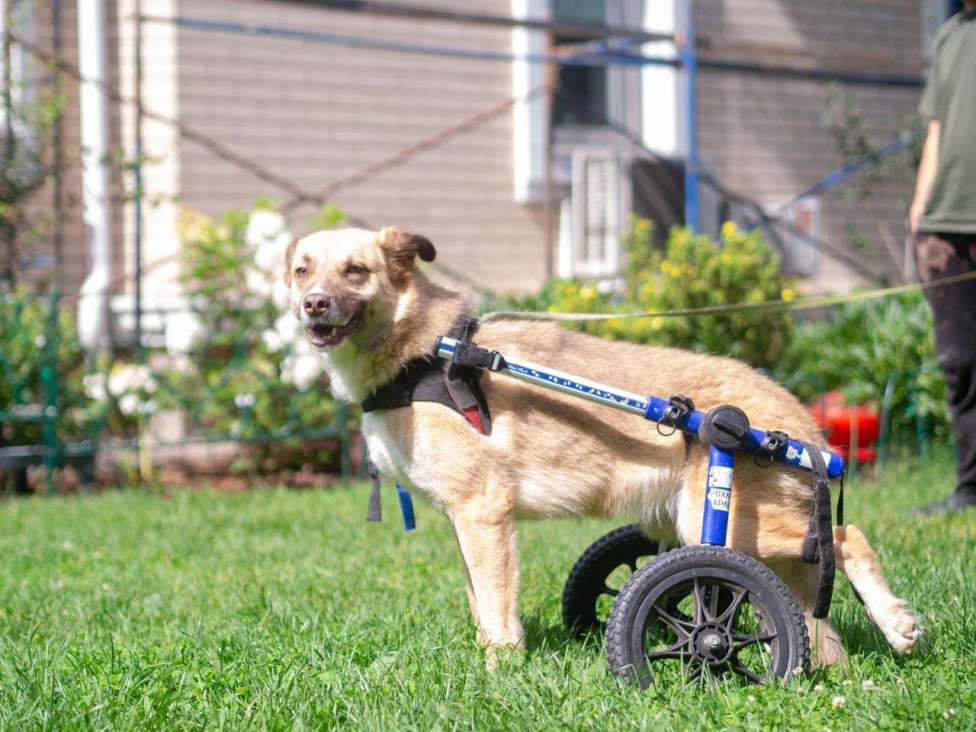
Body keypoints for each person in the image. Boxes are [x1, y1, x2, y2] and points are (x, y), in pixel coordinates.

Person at [909, 3, 976, 514]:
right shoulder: (951, 35)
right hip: (946, 226)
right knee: (958, 362)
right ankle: (969, 487)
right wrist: (920, 215)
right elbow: (936, 130)